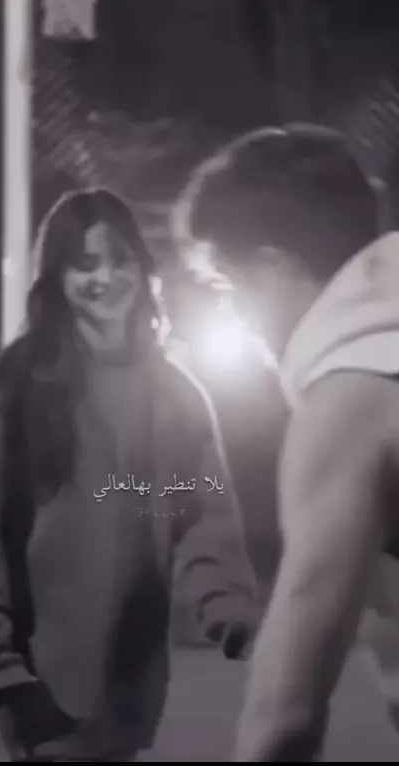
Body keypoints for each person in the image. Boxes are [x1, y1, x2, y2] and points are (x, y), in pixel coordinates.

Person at [0, 188, 257, 763]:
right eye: (84, 264)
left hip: (129, 696)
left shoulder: (176, 395)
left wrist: (228, 608)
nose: (105, 277)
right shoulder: (18, 387)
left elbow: (203, 514)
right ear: (56, 278)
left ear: (142, 267)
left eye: (119, 259)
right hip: (32, 695)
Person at [177, 122, 399, 761]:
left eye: (227, 289)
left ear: (275, 270)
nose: (233, 318)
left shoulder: (351, 401)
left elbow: (284, 715)